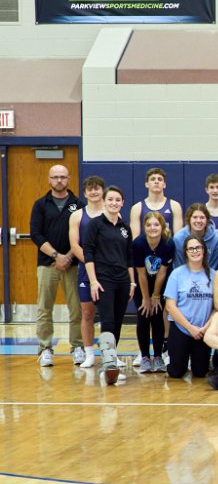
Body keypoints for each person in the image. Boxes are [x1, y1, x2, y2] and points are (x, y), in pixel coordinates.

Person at [31, 164, 83, 367]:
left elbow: (82, 235)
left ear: (68, 179)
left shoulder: (78, 204)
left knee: (76, 308)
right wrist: (56, 255)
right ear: (49, 179)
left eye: (63, 177)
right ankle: (45, 348)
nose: (59, 180)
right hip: (47, 264)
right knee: (44, 308)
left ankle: (77, 346)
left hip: (73, 264)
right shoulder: (40, 205)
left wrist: (68, 256)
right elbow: (36, 234)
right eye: (55, 177)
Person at [82, 185, 135, 385]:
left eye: (117, 200)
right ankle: (107, 363)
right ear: (104, 201)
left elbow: (129, 258)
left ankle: (111, 360)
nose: (114, 203)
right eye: (110, 199)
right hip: (103, 280)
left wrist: (132, 282)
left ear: (122, 203)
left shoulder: (125, 228)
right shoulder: (95, 225)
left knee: (118, 321)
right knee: (108, 320)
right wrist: (93, 281)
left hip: (123, 280)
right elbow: (88, 253)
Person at [163, 234, 214, 381]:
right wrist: (190, 328)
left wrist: (205, 328)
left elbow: (217, 308)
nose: (195, 251)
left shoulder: (214, 274)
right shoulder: (177, 274)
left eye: (198, 247)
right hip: (181, 328)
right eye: (191, 248)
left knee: (200, 372)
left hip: (202, 331)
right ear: (185, 252)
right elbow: (170, 306)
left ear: (204, 250)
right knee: (177, 373)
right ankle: (170, 357)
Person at [68, 175, 105, 368]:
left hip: (107, 269)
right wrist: (91, 262)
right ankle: (89, 354)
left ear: (102, 191)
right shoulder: (77, 216)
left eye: (97, 188)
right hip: (85, 269)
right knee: (87, 312)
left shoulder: (111, 212)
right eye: (90, 189)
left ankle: (109, 354)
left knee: (109, 315)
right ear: (85, 193)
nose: (94, 191)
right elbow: (75, 245)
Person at [132, 211, 174, 374]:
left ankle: (157, 356)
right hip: (142, 285)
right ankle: (144, 357)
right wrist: (146, 298)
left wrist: (156, 296)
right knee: (143, 316)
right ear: (144, 227)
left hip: (160, 285)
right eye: (148, 225)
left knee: (157, 317)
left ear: (162, 226)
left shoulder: (168, 244)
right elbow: (141, 274)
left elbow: (162, 272)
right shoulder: (138, 244)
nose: (152, 228)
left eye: (156, 224)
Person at [129, 167, 183, 237]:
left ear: (164, 184)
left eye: (160, 179)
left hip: (168, 243)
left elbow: (178, 238)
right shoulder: (137, 208)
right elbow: (135, 239)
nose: (156, 182)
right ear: (146, 184)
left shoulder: (175, 206)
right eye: (153, 179)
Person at [173, 203, 218, 270]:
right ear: (189, 219)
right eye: (195, 217)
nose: (198, 221)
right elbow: (179, 266)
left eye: (202, 217)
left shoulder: (216, 238)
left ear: (207, 220)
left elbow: (213, 267)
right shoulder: (179, 238)